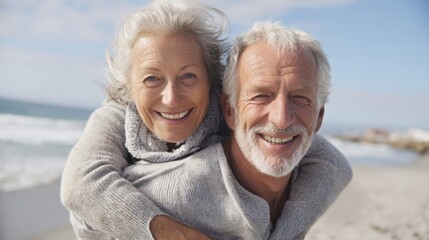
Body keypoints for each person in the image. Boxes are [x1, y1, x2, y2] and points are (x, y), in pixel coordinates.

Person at [61, 1, 352, 239]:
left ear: (213, 82)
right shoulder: (117, 117)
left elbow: (329, 161)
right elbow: (80, 184)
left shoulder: (230, 113)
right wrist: (169, 232)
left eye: (189, 76)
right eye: (151, 78)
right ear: (130, 85)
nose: (171, 98)